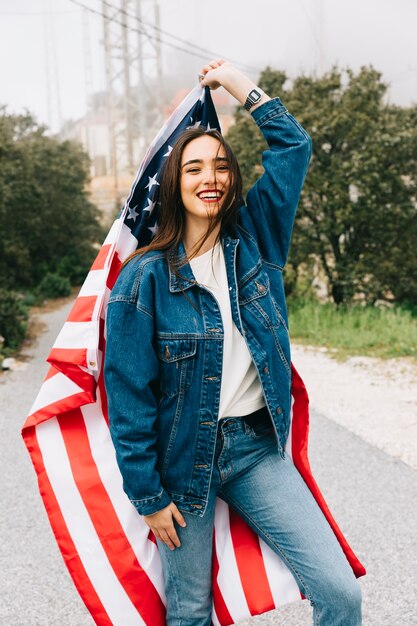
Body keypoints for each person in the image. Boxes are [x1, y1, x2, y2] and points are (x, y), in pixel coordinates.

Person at [104, 59, 362, 625]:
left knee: (340, 591)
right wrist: (148, 496)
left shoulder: (258, 241)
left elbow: (294, 147)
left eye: (221, 165)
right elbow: (128, 398)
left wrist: (237, 82)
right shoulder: (143, 280)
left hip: (252, 450)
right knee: (190, 612)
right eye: (194, 168)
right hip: (179, 463)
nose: (210, 177)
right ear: (174, 183)